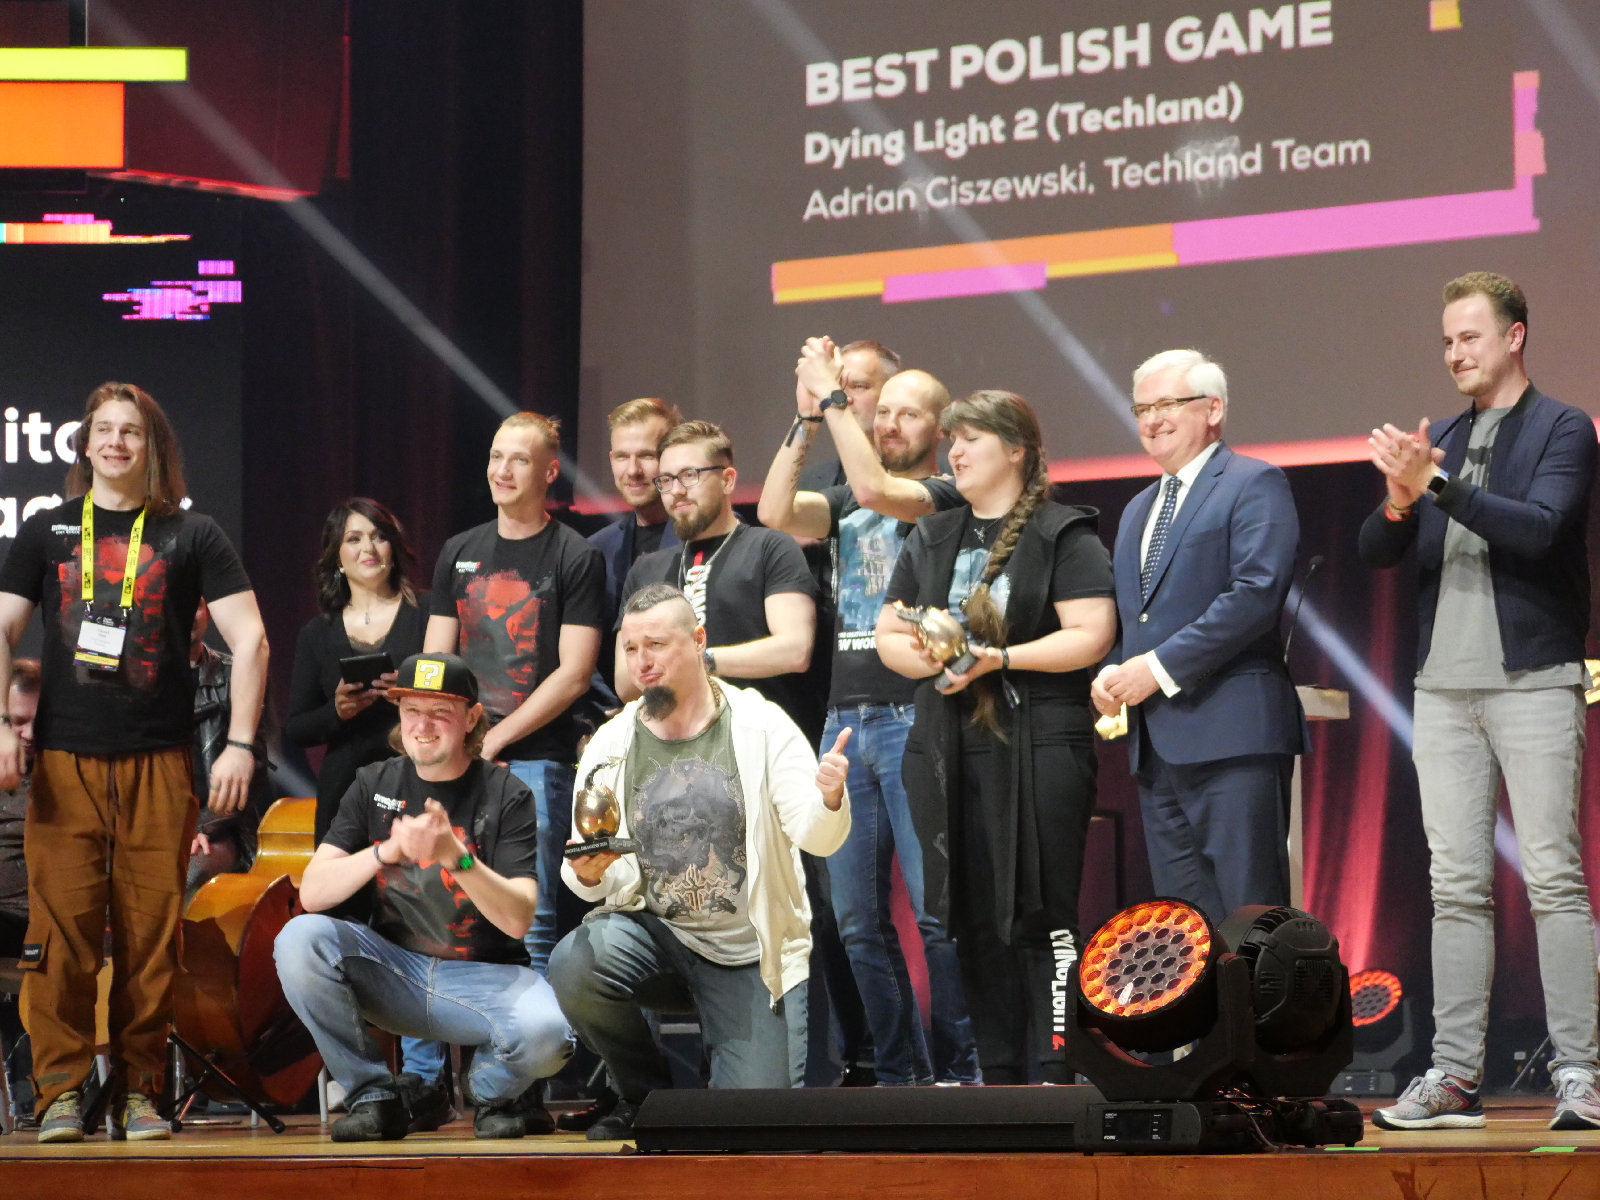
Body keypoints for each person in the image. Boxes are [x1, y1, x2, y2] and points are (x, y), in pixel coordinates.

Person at [1361, 271, 1600, 1132]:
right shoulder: (1446, 439)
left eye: (1470, 337)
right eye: (1447, 341)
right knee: (1456, 886)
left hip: (1533, 679)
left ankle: (1581, 1073)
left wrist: (1435, 485)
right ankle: (1455, 1075)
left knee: (1553, 878)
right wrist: (1399, 501)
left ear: (1514, 336)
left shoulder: (1564, 426)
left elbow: (1540, 529)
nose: (1455, 353)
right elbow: (1374, 551)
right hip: (1443, 688)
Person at [0, 382, 269, 1143]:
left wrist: (240, 743)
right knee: (61, 937)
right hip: (65, 763)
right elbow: (2, 627)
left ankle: (140, 1092)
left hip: (159, 762)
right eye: (105, 430)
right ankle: (60, 1093)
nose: (117, 442)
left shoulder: (192, 533)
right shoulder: (47, 529)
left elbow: (251, 638)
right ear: (85, 444)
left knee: (151, 940)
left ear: (153, 448)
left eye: (132, 432)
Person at [548, 584, 851, 1139]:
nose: (642, 661)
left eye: (657, 645)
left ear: (698, 641)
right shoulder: (611, 744)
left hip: (749, 954)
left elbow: (817, 836)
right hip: (657, 938)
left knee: (754, 1133)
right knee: (575, 962)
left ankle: (728, 1074)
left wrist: (830, 798)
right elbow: (587, 864)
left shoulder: (762, 726)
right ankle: (644, 1096)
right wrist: (587, 875)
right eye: (631, 648)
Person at [875, 390, 1115, 1084]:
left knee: (1043, 912)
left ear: (1017, 451)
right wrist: (939, 662)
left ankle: (1058, 1067)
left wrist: (999, 659)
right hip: (947, 745)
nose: (954, 452)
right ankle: (1003, 1079)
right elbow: (888, 634)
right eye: (951, 439)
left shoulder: (1062, 532)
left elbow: (1092, 635)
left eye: (971, 439)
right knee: (972, 917)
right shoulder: (932, 536)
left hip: (1040, 738)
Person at [757, 336, 978, 1087]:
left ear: (939, 429)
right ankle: (900, 1074)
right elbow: (774, 511)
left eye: (905, 414)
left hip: (916, 716)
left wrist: (832, 401)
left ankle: (964, 1074)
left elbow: (881, 490)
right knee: (853, 921)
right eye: (881, 414)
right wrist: (804, 420)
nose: (888, 424)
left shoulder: (945, 493)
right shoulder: (847, 500)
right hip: (845, 723)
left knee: (936, 915)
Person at [274, 652, 574, 1141]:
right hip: (397, 973)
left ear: (472, 718)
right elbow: (313, 891)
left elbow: (518, 919)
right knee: (299, 939)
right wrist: (386, 851)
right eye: (412, 710)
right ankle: (373, 1096)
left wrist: (456, 858)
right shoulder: (373, 783)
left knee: (550, 1035)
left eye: (440, 712)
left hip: (484, 980)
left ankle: (486, 1090)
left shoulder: (507, 793)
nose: (423, 725)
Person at [1090, 350, 1309, 926]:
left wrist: (1155, 669)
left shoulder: (1253, 482)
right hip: (1157, 748)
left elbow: (1255, 595)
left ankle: (1262, 996)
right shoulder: (1138, 508)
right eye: (1142, 408)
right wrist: (1114, 670)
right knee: (1186, 929)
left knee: (1251, 919)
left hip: (1233, 735)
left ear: (1213, 410)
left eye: (1167, 404)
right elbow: (1139, 617)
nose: (1152, 420)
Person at [425, 412, 606, 974]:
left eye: (519, 460)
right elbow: (435, 665)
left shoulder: (574, 555)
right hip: (460, 759)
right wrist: (449, 743)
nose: (502, 470)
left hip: (535, 762)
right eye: (496, 456)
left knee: (533, 921)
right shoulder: (459, 550)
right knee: (444, 915)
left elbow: (575, 673)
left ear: (550, 471)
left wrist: (494, 739)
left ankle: (536, 1031)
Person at [616, 420, 817, 719]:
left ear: (727, 480)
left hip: (755, 732)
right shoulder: (646, 570)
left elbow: (795, 650)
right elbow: (624, 682)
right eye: (666, 480)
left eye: (689, 475)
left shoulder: (770, 547)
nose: (677, 491)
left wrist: (700, 659)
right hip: (674, 737)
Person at [286, 498, 428, 843]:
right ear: (337, 556)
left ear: (393, 547)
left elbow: (462, 689)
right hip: (344, 791)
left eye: (379, 537)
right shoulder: (317, 633)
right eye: (354, 539)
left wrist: (411, 694)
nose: (369, 548)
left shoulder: (428, 612)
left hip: (418, 779)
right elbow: (297, 728)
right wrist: (337, 711)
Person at [588, 398, 683, 695]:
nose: (633, 470)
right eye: (622, 457)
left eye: (646, 456)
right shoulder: (597, 550)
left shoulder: (710, 537)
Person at [187, 601, 275, 896]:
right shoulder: (139, 679)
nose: (189, 614)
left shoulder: (235, 674)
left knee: (186, 872)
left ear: (210, 612)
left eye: (197, 605)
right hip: (152, 825)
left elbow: (254, 768)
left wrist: (201, 829)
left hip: (219, 827)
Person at [0, 660, 39, 1123]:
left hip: (40, 918)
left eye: (34, 721)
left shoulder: (67, 773)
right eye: (17, 722)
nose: (26, 734)